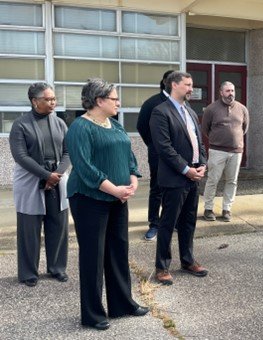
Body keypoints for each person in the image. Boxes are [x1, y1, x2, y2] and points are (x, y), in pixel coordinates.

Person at [66, 78, 149, 331]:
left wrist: (132, 180)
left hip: (117, 197)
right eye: (114, 99)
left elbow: (129, 156)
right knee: (94, 255)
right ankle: (92, 314)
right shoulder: (80, 127)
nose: (118, 103)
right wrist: (114, 188)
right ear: (99, 100)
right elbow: (84, 167)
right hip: (89, 198)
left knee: (118, 250)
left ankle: (122, 304)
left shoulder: (115, 125)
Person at [9, 82, 70, 287]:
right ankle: (28, 273)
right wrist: (45, 175)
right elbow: (20, 156)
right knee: (29, 228)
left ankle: (57, 268)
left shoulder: (60, 123)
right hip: (30, 181)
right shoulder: (21, 124)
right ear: (35, 101)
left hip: (57, 181)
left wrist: (57, 174)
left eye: (54, 99)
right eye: (48, 99)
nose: (53, 102)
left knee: (58, 224)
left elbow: (68, 152)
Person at [150, 71, 208, 285]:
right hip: (175, 177)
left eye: (191, 84)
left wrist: (202, 164)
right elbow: (164, 148)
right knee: (168, 222)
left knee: (188, 222)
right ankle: (162, 267)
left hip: (194, 175)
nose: (192, 88)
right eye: (188, 84)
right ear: (174, 85)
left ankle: (188, 260)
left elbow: (199, 142)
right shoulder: (160, 112)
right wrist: (186, 169)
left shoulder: (190, 112)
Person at [201, 81, 249, 222]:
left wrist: (234, 141)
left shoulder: (242, 109)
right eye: (227, 91)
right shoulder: (211, 109)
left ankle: (227, 209)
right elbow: (205, 129)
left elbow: (244, 128)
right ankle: (208, 209)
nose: (231, 94)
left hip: (236, 151)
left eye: (232, 91)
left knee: (232, 181)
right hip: (217, 151)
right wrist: (219, 139)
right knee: (212, 180)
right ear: (221, 92)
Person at [137, 70, 174, 241]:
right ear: (166, 82)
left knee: (174, 190)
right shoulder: (152, 103)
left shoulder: (182, 103)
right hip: (158, 156)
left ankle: (170, 222)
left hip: (178, 157)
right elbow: (141, 126)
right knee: (157, 189)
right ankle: (154, 224)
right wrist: (153, 145)